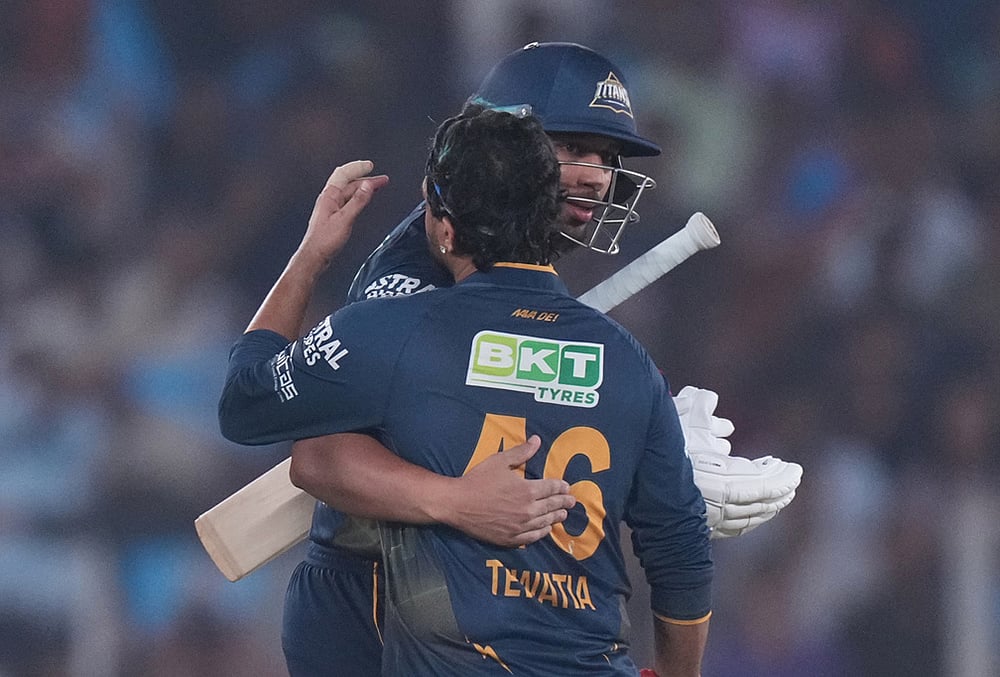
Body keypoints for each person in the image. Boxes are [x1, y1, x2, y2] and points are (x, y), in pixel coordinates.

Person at [232, 42, 800, 675]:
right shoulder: (417, 268)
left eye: (607, 157)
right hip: (378, 608)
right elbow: (332, 452)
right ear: (507, 141)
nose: (594, 175)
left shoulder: (517, 262)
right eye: (574, 149)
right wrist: (652, 465)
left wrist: (648, 448)